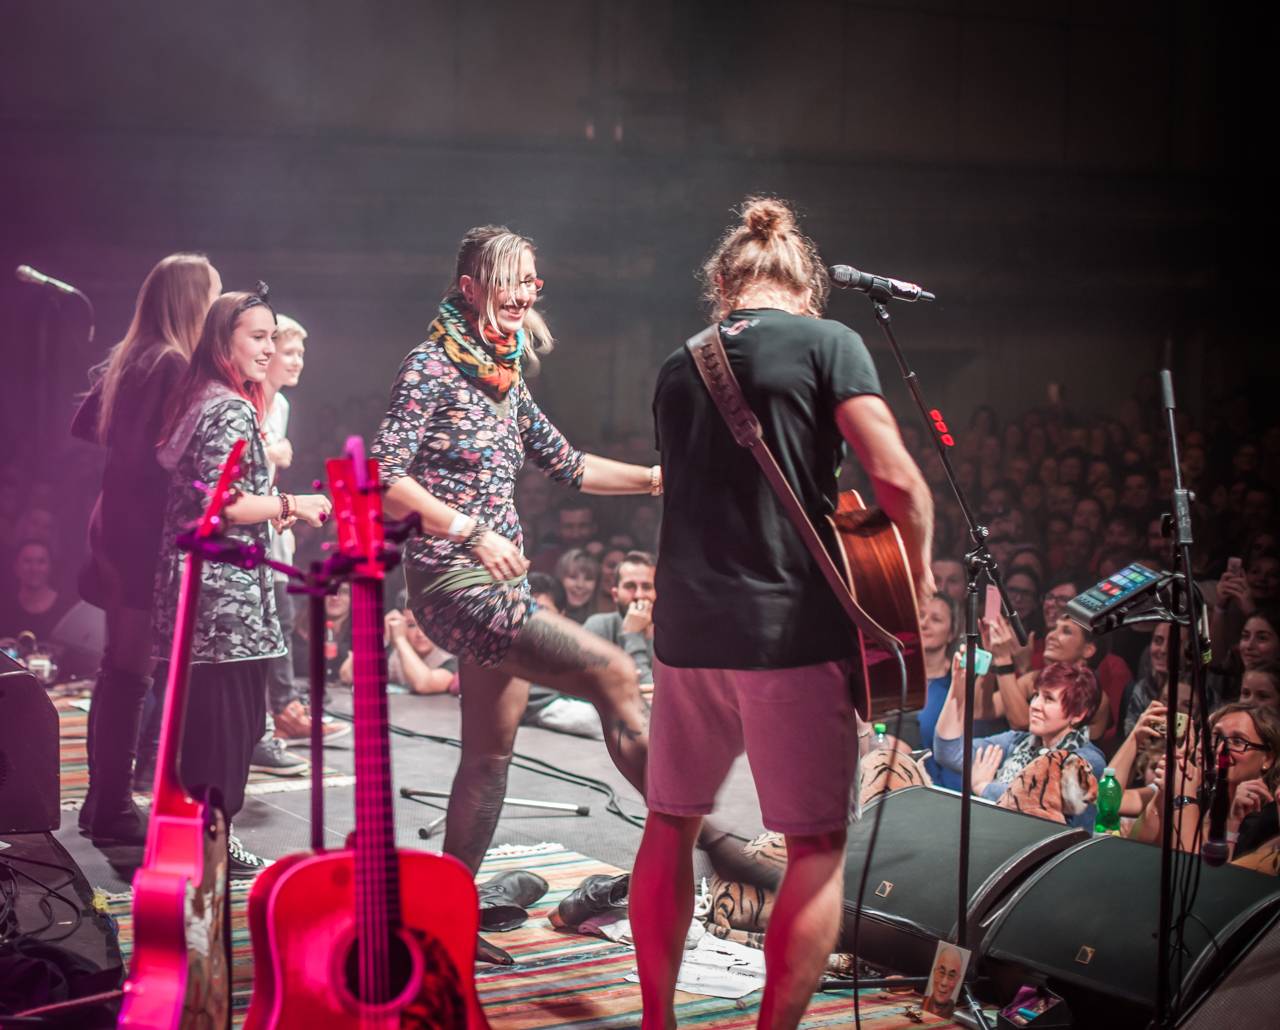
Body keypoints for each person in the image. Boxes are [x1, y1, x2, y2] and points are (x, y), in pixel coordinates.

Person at [631, 196, 934, 1030]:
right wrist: (923, 577)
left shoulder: (675, 364)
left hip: (686, 632)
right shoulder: (831, 343)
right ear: (806, 288)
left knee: (670, 824)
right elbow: (898, 484)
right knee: (815, 848)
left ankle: (656, 1023)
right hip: (788, 636)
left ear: (723, 283)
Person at [370, 225, 657, 959]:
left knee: (489, 757)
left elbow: (571, 465)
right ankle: (691, 839)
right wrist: (468, 527)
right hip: (455, 577)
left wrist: (659, 479)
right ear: (469, 288)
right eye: (511, 280)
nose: (526, 294)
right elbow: (384, 475)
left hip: (493, 581)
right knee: (615, 670)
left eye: (533, 282)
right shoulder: (430, 367)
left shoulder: (504, 378)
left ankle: (444, 917)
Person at [152, 286, 330, 875]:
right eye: (257, 336)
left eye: (272, 336)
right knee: (223, 732)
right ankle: (209, 845)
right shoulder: (226, 407)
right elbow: (224, 504)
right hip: (223, 603)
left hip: (206, 593)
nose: (269, 347)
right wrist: (293, 504)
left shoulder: (204, 397)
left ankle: (194, 840)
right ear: (222, 339)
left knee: (208, 727)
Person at [71, 253, 221, 844]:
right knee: (132, 673)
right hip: (140, 535)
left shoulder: (134, 356)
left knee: (119, 670)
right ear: (190, 299)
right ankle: (110, 808)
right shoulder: (171, 362)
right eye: (210, 292)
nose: (217, 304)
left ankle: (100, 802)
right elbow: (158, 457)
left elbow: (88, 428)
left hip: (116, 525)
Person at [934, 656, 1105, 831]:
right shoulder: (1016, 742)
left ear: (1078, 714)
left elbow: (1035, 803)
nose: (1035, 705)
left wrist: (984, 787)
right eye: (1036, 695)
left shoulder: (1087, 760)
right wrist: (957, 687)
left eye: (1049, 699)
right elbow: (949, 751)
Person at [583, 550, 657, 694]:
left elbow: (653, 696)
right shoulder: (598, 627)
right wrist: (633, 634)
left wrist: (632, 635)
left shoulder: (673, 637)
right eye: (630, 586)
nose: (638, 595)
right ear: (615, 595)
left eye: (647, 587)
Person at [0, 540, 72, 644]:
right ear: (16, 567)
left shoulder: (66, 609)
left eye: (41, 562)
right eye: (27, 561)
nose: (34, 568)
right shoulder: (4, 608)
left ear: (50, 567)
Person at [386, 603, 459, 695]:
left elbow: (424, 684)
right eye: (412, 625)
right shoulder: (393, 654)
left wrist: (400, 639)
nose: (420, 634)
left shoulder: (450, 656)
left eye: (427, 624)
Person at [922, 944, 965, 1018]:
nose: (944, 983)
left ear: (958, 980)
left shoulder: (956, 1015)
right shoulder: (924, 1003)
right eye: (941, 972)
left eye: (951, 975)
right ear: (934, 972)